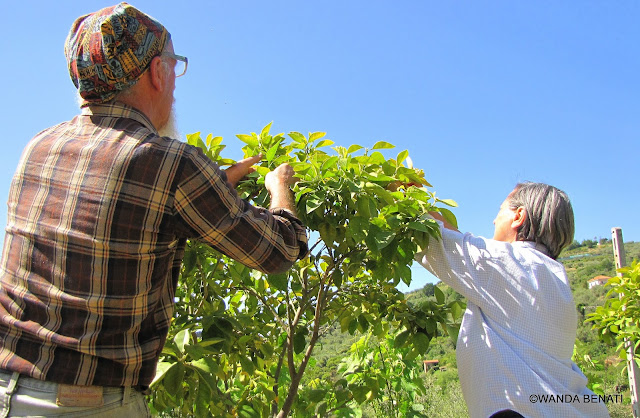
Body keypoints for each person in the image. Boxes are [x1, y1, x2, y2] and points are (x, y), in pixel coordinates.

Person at [0, 3, 308, 417]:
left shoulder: (37, 147)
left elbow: (111, 211)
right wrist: (280, 190)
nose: (176, 83)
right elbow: (279, 250)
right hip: (87, 406)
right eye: (174, 65)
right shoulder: (171, 163)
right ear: (155, 73)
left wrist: (215, 185)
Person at [415, 182, 609, 418]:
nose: (494, 221)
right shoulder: (550, 275)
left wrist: (400, 190)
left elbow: (431, 239)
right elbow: (457, 240)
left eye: (500, 211)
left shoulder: (510, 265)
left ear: (518, 216)